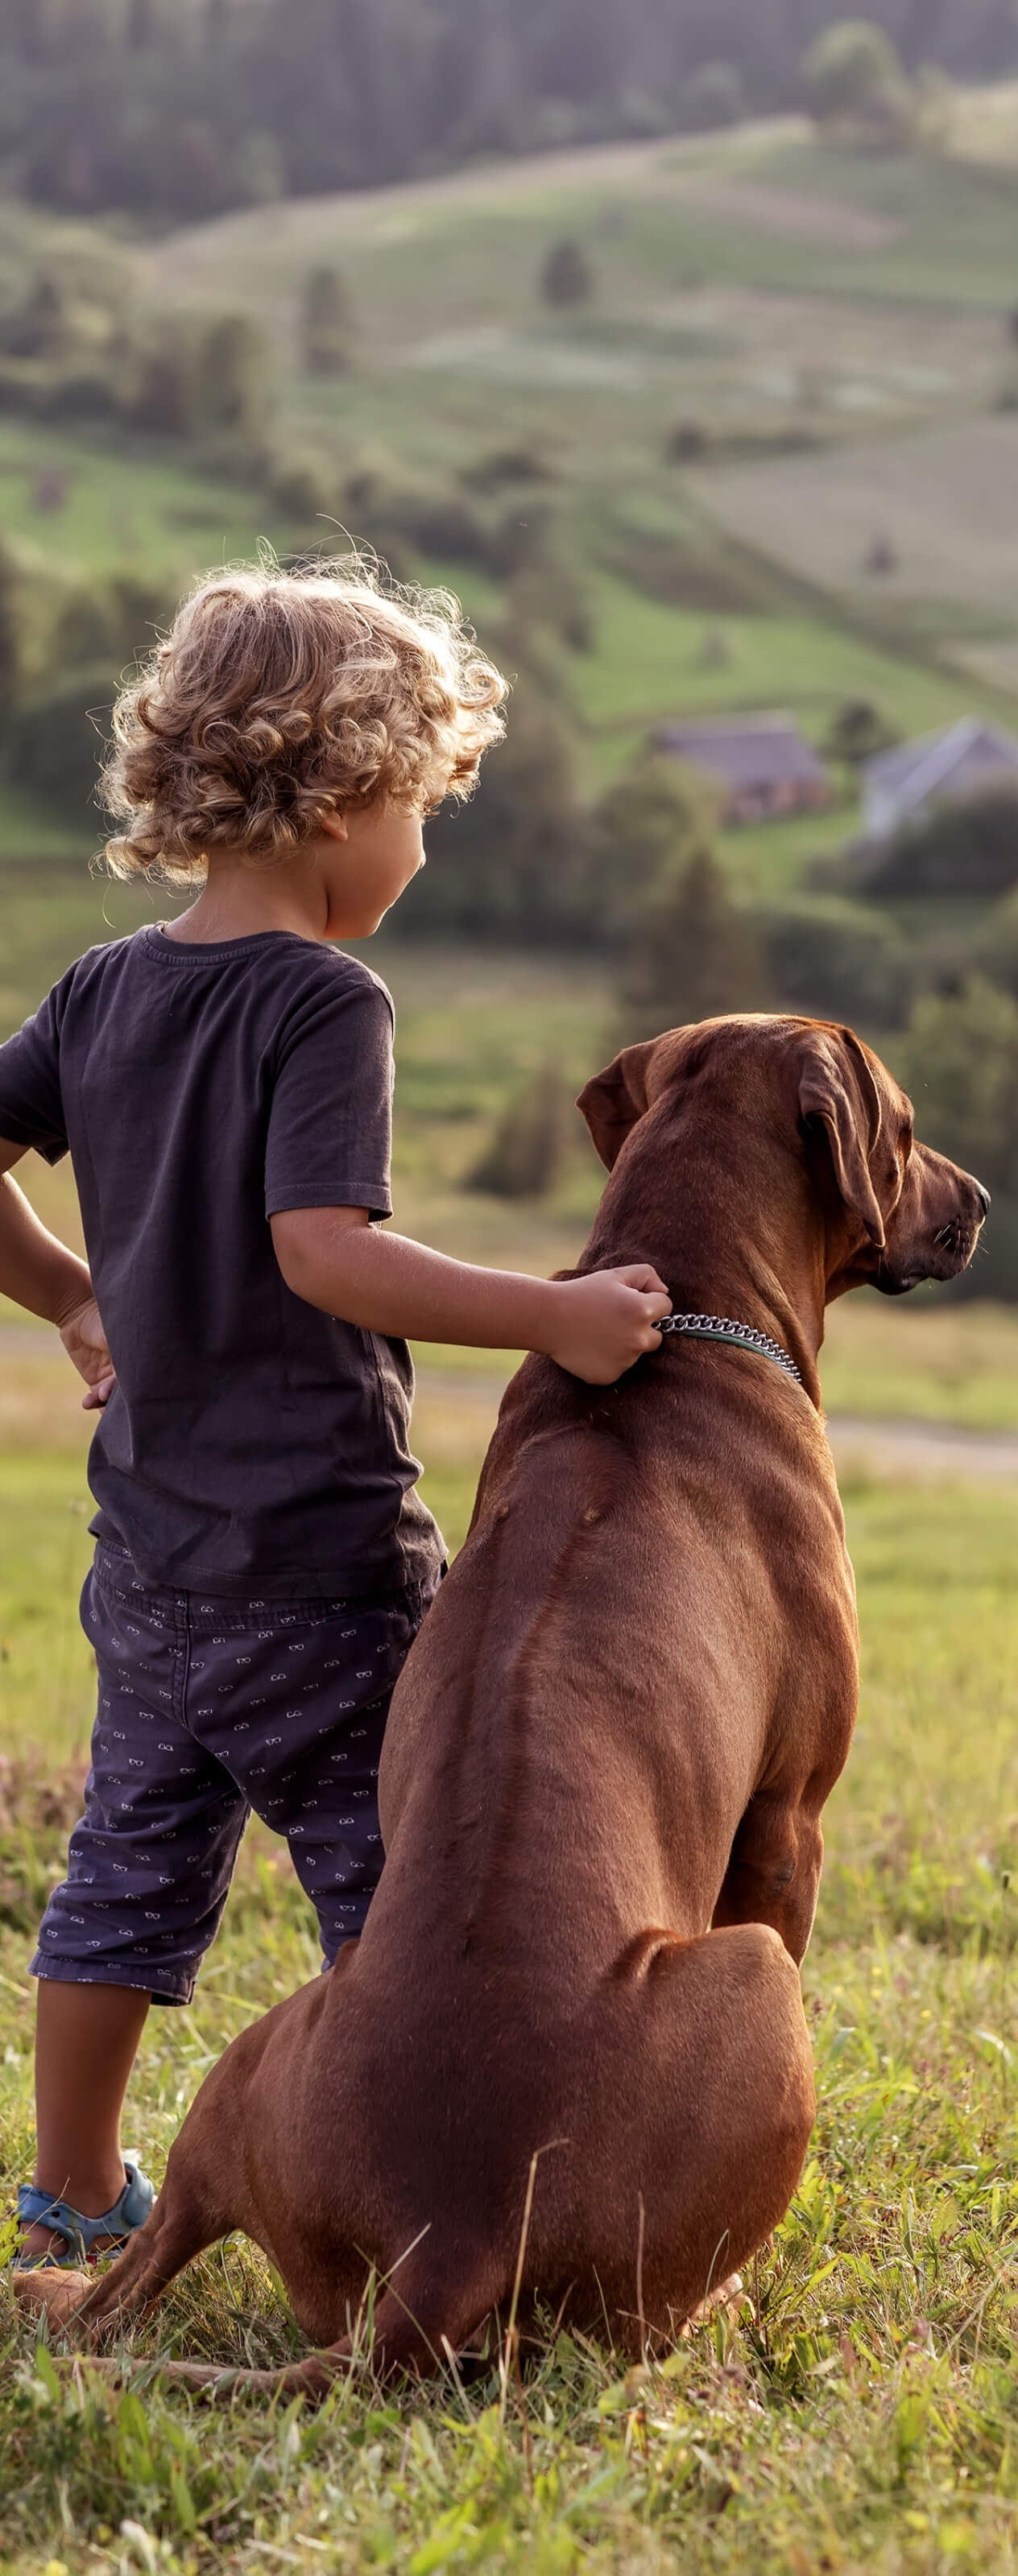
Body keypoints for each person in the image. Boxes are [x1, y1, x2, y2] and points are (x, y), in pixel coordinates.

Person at [2, 557, 670, 2276]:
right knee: (404, 1889)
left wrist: (72, 1295)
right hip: (318, 1563)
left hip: (148, 1554)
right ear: (339, 794)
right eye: (423, 811)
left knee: (125, 1876)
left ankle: (74, 2197)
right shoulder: (323, 999)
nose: (425, 852)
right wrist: (556, 1316)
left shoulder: (101, 993)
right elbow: (329, 1252)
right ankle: (414, 2177)